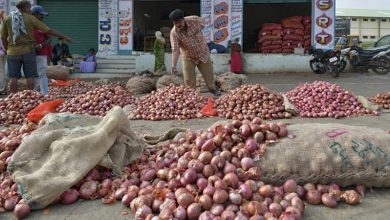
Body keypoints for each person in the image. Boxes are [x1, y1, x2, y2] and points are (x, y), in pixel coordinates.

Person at [0, 0, 72, 93]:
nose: (30, 10)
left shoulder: (8, 18)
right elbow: (48, 30)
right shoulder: (31, 18)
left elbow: (3, 37)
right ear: (25, 7)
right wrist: (64, 36)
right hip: (28, 51)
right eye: (29, 8)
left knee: (13, 77)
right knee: (30, 76)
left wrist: (6, 49)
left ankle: (13, 97)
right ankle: (30, 95)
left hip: (13, 51)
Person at [169, 9, 220, 96]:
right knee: (188, 80)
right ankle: (191, 95)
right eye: (175, 23)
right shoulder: (174, 33)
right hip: (188, 56)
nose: (178, 25)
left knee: (209, 74)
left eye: (180, 22)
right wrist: (173, 65)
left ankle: (213, 89)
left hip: (202, 53)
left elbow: (204, 23)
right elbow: (175, 50)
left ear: (183, 18)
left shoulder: (194, 20)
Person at [31, 5, 52, 96]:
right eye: (41, 15)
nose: (42, 17)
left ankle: (44, 93)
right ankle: (34, 93)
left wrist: (41, 45)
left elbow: (49, 39)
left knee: (42, 73)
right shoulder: (27, 25)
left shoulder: (42, 26)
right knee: (33, 74)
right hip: (29, 53)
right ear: (34, 14)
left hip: (41, 53)